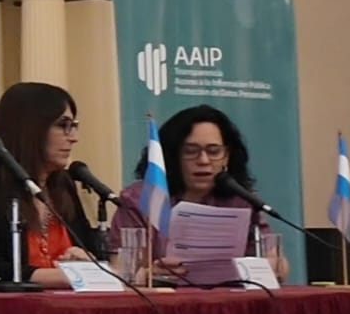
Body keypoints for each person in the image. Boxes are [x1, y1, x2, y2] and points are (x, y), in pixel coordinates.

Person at [110, 103, 289, 280]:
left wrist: (273, 265)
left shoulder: (241, 200)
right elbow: (122, 271)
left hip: (226, 295)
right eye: (190, 151)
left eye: (214, 151)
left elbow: (276, 264)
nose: (203, 160)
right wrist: (150, 275)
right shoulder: (140, 200)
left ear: (226, 157)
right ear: (173, 156)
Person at [0, 82, 96, 287]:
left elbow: (93, 254)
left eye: (73, 126)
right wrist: (67, 276)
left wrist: (84, 259)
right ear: (31, 128)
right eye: (63, 125)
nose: (73, 138)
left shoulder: (64, 185)